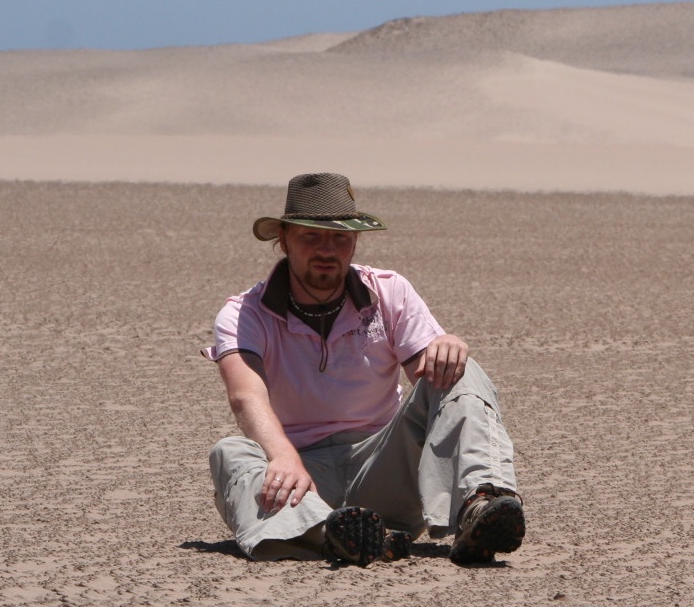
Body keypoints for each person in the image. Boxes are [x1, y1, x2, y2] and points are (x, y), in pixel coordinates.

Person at [202, 173, 524, 566]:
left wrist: (446, 347)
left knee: (462, 370)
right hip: (299, 477)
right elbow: (245, 395)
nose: (327, 249)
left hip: (382, 465)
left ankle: (482, 502)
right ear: (283, 240)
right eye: (311, 236)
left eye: (340, 238)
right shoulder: (243, 313)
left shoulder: (389, 292)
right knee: (230, 452)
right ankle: (334, 534)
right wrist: (283, 456)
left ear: (355, 241)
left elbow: (431, 376)